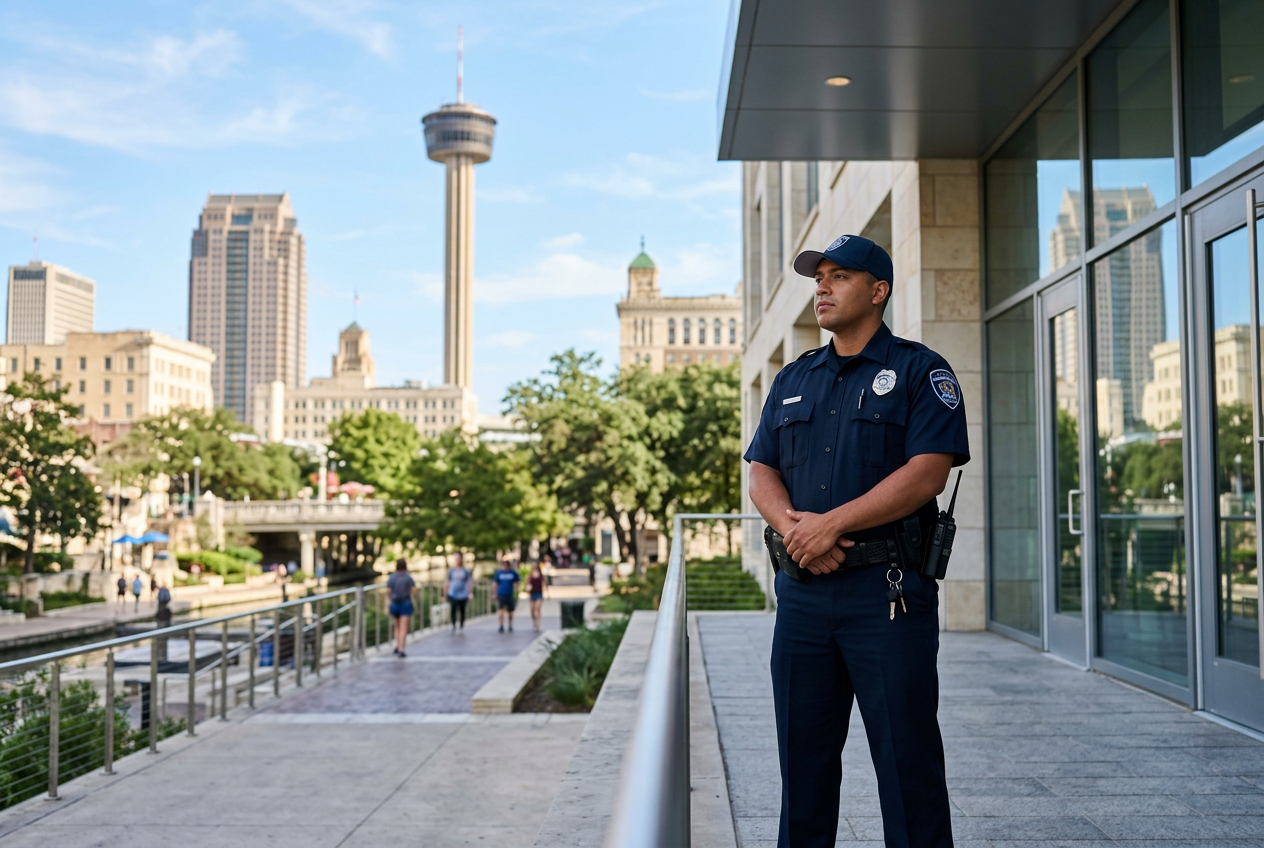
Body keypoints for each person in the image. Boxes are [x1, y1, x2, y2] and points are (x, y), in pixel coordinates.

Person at [744, 234, 968, 848]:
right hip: (804, 599)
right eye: (819, 277)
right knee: (804, 772)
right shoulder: (794, 378)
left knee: (907, 769)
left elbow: (927, 473)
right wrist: (793, 529)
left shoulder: (923, 371)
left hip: (888, 597)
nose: (822, 286)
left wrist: (830, 524)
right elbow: (760, 468)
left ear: (878, 290)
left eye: (839, 276)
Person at [386, 559, 416, 657]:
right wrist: (416, 599)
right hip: (405, 603)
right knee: (403, 627)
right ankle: (401, 649)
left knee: (397, 626)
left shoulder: (392, 577)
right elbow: (413, 590)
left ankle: (397, 645)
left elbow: (388, 593)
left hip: (394, 603)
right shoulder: (407, 577)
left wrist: (387, 606)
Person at [445, 554, 472, 632]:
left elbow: (469, 582)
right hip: (452, 594)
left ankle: (461, 623)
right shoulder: (451, 571)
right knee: (453, 609)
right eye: (456, 559)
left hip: (463, 595)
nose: (457, 560)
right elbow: (447, 582)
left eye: (458, 559)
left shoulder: (465, 571)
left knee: (462, 610)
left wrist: (470, 593)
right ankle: (453, 625)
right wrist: (445, 593)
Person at [493, 559, 520, 633]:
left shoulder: (513, 573)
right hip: (501, 594)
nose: (504, 566)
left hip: (510, 594)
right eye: (503, 565)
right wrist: (493, 593)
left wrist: (516, 590)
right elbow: (495, 583)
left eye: (506, 565)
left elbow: (517, 582)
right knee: (500, 610)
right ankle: (501, 625)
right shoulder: (499, 573)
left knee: (510, 611)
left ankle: (510, 624)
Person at [527, 562, 547, 632]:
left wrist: (547, 593)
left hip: (539, 594)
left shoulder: (541, 575)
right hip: (532, 594)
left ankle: (537, 624)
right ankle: (534, 621)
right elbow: (528, 584)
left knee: (537, 609)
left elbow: (545, 583)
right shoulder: (530, 575)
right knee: (532, 611)